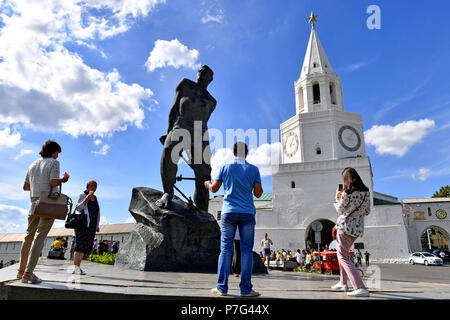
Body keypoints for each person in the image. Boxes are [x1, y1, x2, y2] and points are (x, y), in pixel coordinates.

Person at [205, 142, 263, 297]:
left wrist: (207, 184)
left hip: (229, 212)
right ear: (247, 153)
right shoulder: (253, 169)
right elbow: (258, 194)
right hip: (247, 213)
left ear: (234, 152)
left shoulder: (225, 167)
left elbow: (214, 189)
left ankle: (222, 288)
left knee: (225, 249)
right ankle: (246, 289)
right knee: (246, 251)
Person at [156, 65, 216, 212]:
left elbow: (205, 120)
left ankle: (202, 209)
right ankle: (168, 193)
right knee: (170, 151)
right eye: (201, 70)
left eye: (206, 72)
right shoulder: (185, 84)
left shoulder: (212, 101)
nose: (202, 73)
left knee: (204, 171)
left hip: (200, 131)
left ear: (211, 79)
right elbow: (175, 108)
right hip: (181, 124)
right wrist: (168, 131)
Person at [18, 140, 70, 284]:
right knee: (40, 237)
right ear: (53, 152)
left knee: (28, 236)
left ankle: (21, 271)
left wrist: (38, 185)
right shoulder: (54, 163)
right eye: (57, 153)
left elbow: (25, 187)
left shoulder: (32, 164)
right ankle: (28, 274)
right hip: (48, 203)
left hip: (33, 203)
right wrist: (63, 180)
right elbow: (54, 182)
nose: (57, 156)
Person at [332, 167, 371, 297]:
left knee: (342, 256)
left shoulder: (346, 193)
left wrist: (337, 197)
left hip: (344, 227)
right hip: (357, 229)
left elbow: (339, 209)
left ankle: (359, 287)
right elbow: (367, 211)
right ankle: (343, 282)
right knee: (343, 255)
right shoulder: (366, 192)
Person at [72, 180, 100, 275]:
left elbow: (97, 213)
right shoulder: (83, 195)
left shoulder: (95, 198)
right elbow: (78, 208)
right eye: (91, 185)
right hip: (82, 225)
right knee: (79, 247)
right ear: (87, 187)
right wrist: (86, 199)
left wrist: (96, 225)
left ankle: (78, 267)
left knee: (84, 247)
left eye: (95, 186)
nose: (93, 187)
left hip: (91, 226)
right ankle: (76, 268)